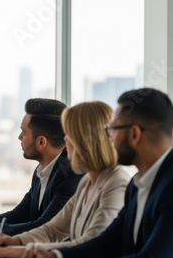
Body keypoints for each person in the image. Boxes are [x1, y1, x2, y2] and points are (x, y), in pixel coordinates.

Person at [19, 88, 173, 258]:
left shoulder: (159, 186)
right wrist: (53, 255)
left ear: (134, 134)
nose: (109, 137)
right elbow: (104, 243)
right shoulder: (136, 185)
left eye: (113, 129)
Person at [0, 101, 131, 257]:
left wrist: (26, 251)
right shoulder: (87, 182)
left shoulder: (117, 184)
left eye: (68, 135)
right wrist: (16, 241)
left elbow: (92, 243)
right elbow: (53, 229)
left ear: (84, 141)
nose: (65, 141)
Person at [0, 98, 83, 240]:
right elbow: (19, 215)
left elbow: (44, 227)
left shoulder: (71, 174)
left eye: (24, 133)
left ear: (41, 142)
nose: (19, 138)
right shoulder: (42, 170)